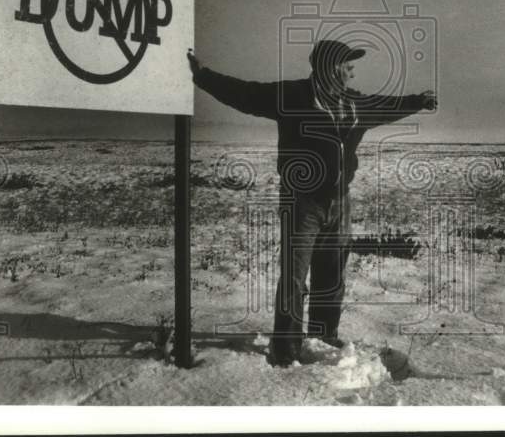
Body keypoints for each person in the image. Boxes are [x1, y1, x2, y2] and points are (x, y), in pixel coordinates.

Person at [187, 40, 436, 366]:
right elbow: (244, 94)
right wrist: (203, 76)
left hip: (339, 202)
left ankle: (323, 339)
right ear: (329, 67)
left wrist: (418, 101)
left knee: (332, 277)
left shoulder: (354, 104)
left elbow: (387, 105)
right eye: (347, 63)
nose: (352, 69)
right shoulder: (292, 96)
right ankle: (286, 351)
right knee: (294, 277)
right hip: (302, 202)